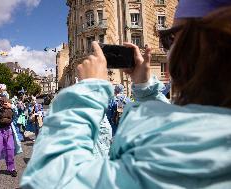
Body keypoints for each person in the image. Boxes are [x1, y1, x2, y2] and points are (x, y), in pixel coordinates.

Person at [20, 1, 231, 189]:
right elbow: (168, 130)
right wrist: (145, 87)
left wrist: (88, 90)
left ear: (199, 45)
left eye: (169, 38)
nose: (168, 49)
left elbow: (49, 179)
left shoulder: (193, 145)